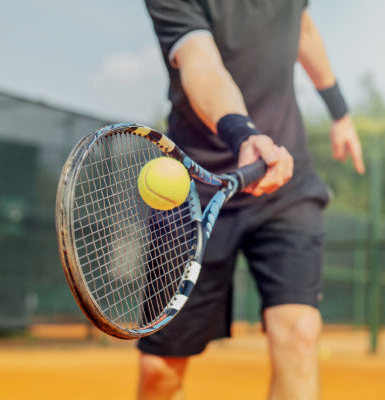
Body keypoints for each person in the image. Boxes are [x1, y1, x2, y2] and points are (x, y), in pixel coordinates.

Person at [138, 1, 365, 399]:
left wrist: (340, 112)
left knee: (299, 335)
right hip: (194, 187)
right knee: (160, 369)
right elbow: (202, 65)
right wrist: (242, 133)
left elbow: (304, 30)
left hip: (283, 179)